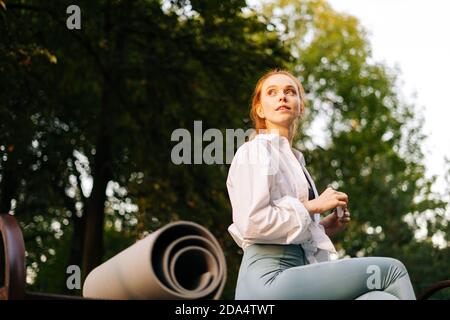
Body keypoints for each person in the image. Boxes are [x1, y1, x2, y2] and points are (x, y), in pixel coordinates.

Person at [226, 69, 416, 300]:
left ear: (301, 106)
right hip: (268, 278)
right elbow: (251, 223)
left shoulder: (297, 163)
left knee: (379, 299)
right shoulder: (255, 150)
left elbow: (286, 229)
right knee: (391, 272)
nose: (282, 97)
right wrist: (313, 206)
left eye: (290, 92)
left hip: (296, 273)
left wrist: (323, 227)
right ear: (260, 109)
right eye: (272, 92)